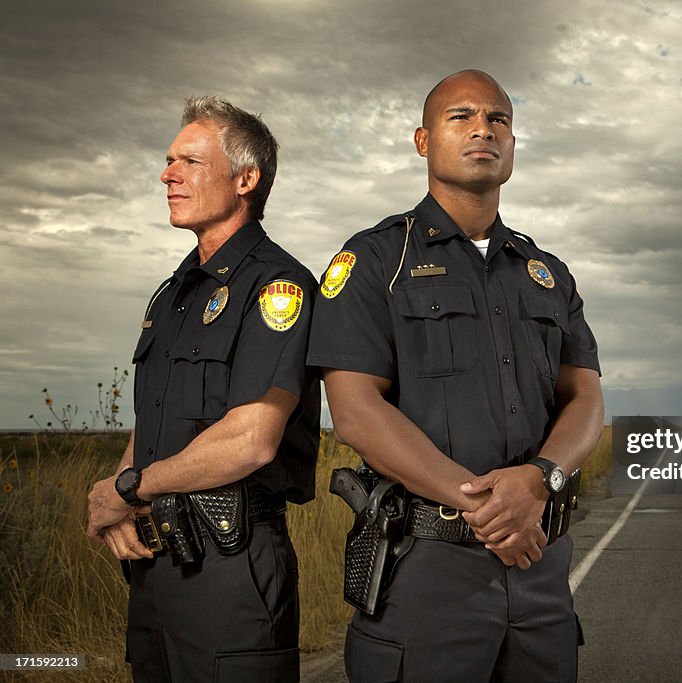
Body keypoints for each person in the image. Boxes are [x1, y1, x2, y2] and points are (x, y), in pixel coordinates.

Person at [308, 69, 604, 682]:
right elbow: (356, 412)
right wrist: (487, 505)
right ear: (423, 142)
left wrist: (540, 481)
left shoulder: (545, 272)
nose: (483, 130)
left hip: (538, 565)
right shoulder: (373, 260)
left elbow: (586, 398)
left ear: (513, 145)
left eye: (499, 119)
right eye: (461, 116)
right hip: (424, 571)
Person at [86, 96, 320, 682]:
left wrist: (129, 487)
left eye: (188, 161)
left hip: (232, 563)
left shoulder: (277, 286)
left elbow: (251, 441)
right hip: (158, 559)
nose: (167, 174)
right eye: (169, 160)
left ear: (246, 179)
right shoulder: (173, 296)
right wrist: (123, 497)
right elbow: (156, 415)